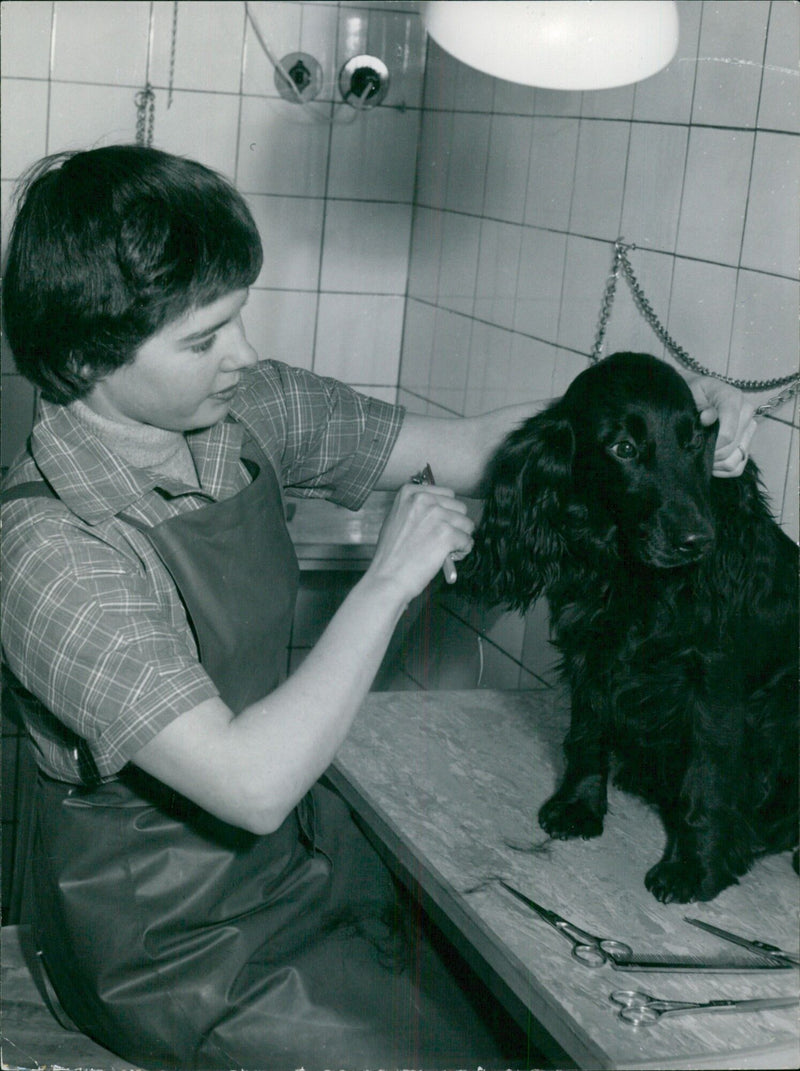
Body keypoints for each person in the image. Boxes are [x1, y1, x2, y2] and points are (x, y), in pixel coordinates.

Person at [0, 145, 755, 1070]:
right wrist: (389, 583)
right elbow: (249, 782)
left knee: (514, 1018)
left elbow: (485, 447)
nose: (241, 356)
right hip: (165, 947)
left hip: (287, 869)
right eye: (202, 341)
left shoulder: (244, 414)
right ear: (84, 359)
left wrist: (667, 417)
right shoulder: (54, 553)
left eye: (238, 318)